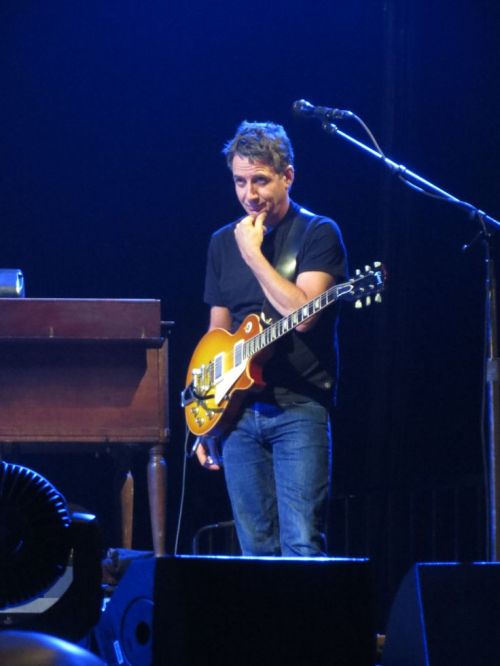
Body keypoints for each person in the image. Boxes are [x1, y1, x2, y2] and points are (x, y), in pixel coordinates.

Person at [195, 120, 347, 556]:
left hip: (299, 406)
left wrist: (253, 255)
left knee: (303, 544)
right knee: (255, 550)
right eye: (240, 182)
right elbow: (217, 335)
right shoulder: (222, 242)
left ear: (288, 176)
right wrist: (208, 413)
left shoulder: (318, 232)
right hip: (239, 414)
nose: (249, 194)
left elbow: (303, 316)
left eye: (260, 180)